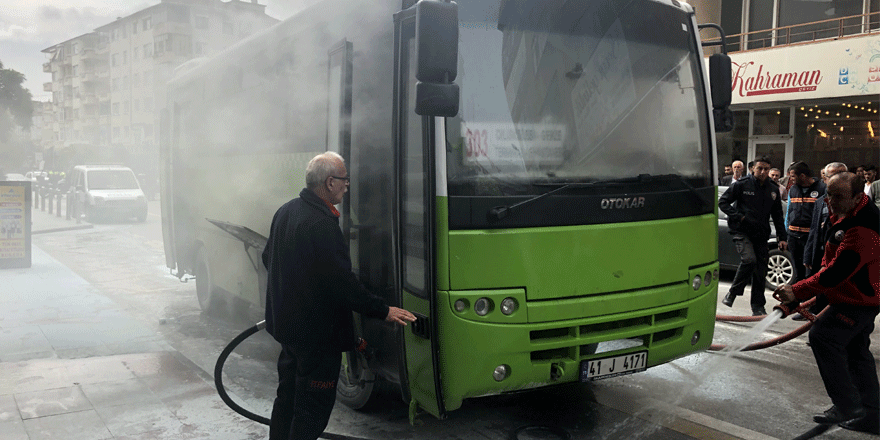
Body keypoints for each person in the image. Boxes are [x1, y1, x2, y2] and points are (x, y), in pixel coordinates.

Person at [262, 151, 417, 440]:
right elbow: (342, 285)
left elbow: (268, 258)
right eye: (345, 180)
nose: (348, 186)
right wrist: (384, 310)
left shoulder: (286, 210)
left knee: (287, 401)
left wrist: (295, 290)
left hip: (289, 333)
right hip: (316, 339)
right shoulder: (322, 225)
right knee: (311, 411)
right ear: (330, 182)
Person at [774, 172, 880, 434]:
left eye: (837, 196)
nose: (830, 200)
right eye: (829, 194)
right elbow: (829, 260)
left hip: (861, 298)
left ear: (858, 197)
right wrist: (812, 294)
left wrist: (796, 291)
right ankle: (872, 415)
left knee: (823, 336)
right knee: (856, 351)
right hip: (851, 293)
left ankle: (847, 405)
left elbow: (837, 272)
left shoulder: (864, 227)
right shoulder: (843, 214)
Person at [719, 156, 788, 316]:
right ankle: (732, 293)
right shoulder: (742, 185)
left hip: (761, 233)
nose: (763, 172)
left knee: (760, 270)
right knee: (749, 260)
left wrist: (782, 237)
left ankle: (758, 307)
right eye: (760, 168)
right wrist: (739, 217)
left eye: (766, 169)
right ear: (752, 169)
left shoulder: (772, 189)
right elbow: (723, 202)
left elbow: (777, 215)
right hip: (742, 231)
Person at [796, 162, 847, 321]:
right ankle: (811, 313)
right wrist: (808, 256)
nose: (835, 180)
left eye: (840, 176)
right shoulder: (820, 202)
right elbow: (814, 230)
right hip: (821, 252)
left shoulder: (856, 203)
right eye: (831, 176)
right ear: (825, 179)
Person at [784, 161, 825, 284]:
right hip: (793, 237)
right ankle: (797, 301)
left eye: (792, 176)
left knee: (810, 273)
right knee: (798, 273)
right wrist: (787, 231)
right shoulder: (793, 189)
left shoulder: (822, 189)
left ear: (802, 176)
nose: (790, 179)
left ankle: (808, 302)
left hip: (811, 238)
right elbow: (789, 211)